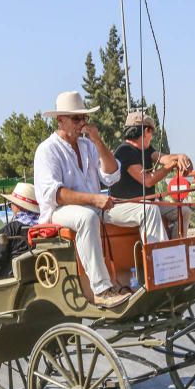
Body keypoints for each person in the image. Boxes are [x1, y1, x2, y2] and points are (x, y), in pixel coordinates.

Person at [34, 91, 161, 308]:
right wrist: (94, 199)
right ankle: (101, 288)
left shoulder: (88, 146)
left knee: (148, 209)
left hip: (96, 205)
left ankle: (160, 272)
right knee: (86, 217)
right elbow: (55, 194)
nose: (82, 123)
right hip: (60, 212)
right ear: (60, 120)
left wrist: (98, 140)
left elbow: (112, 175)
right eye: (76, 118)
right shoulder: (48, 150)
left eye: (84, 117)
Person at [108, 111, 194, 238]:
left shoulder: (146, 149)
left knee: (184, 212)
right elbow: (147, 180)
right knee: (150, 209)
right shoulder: (124, 151)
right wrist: (169, 167)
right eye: (151, 132)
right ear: (146, 131)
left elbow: (162, 158)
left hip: (147, 204)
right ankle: (161, 254)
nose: (152, 137)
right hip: (127, 207)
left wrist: (181, 158)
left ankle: (178, 248)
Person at [0, 182, 40, 280]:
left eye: (11, 203)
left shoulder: (10, 229)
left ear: (18, 206)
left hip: (11, 277)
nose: (10, 206)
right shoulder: (41, 225)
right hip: (36, 274)